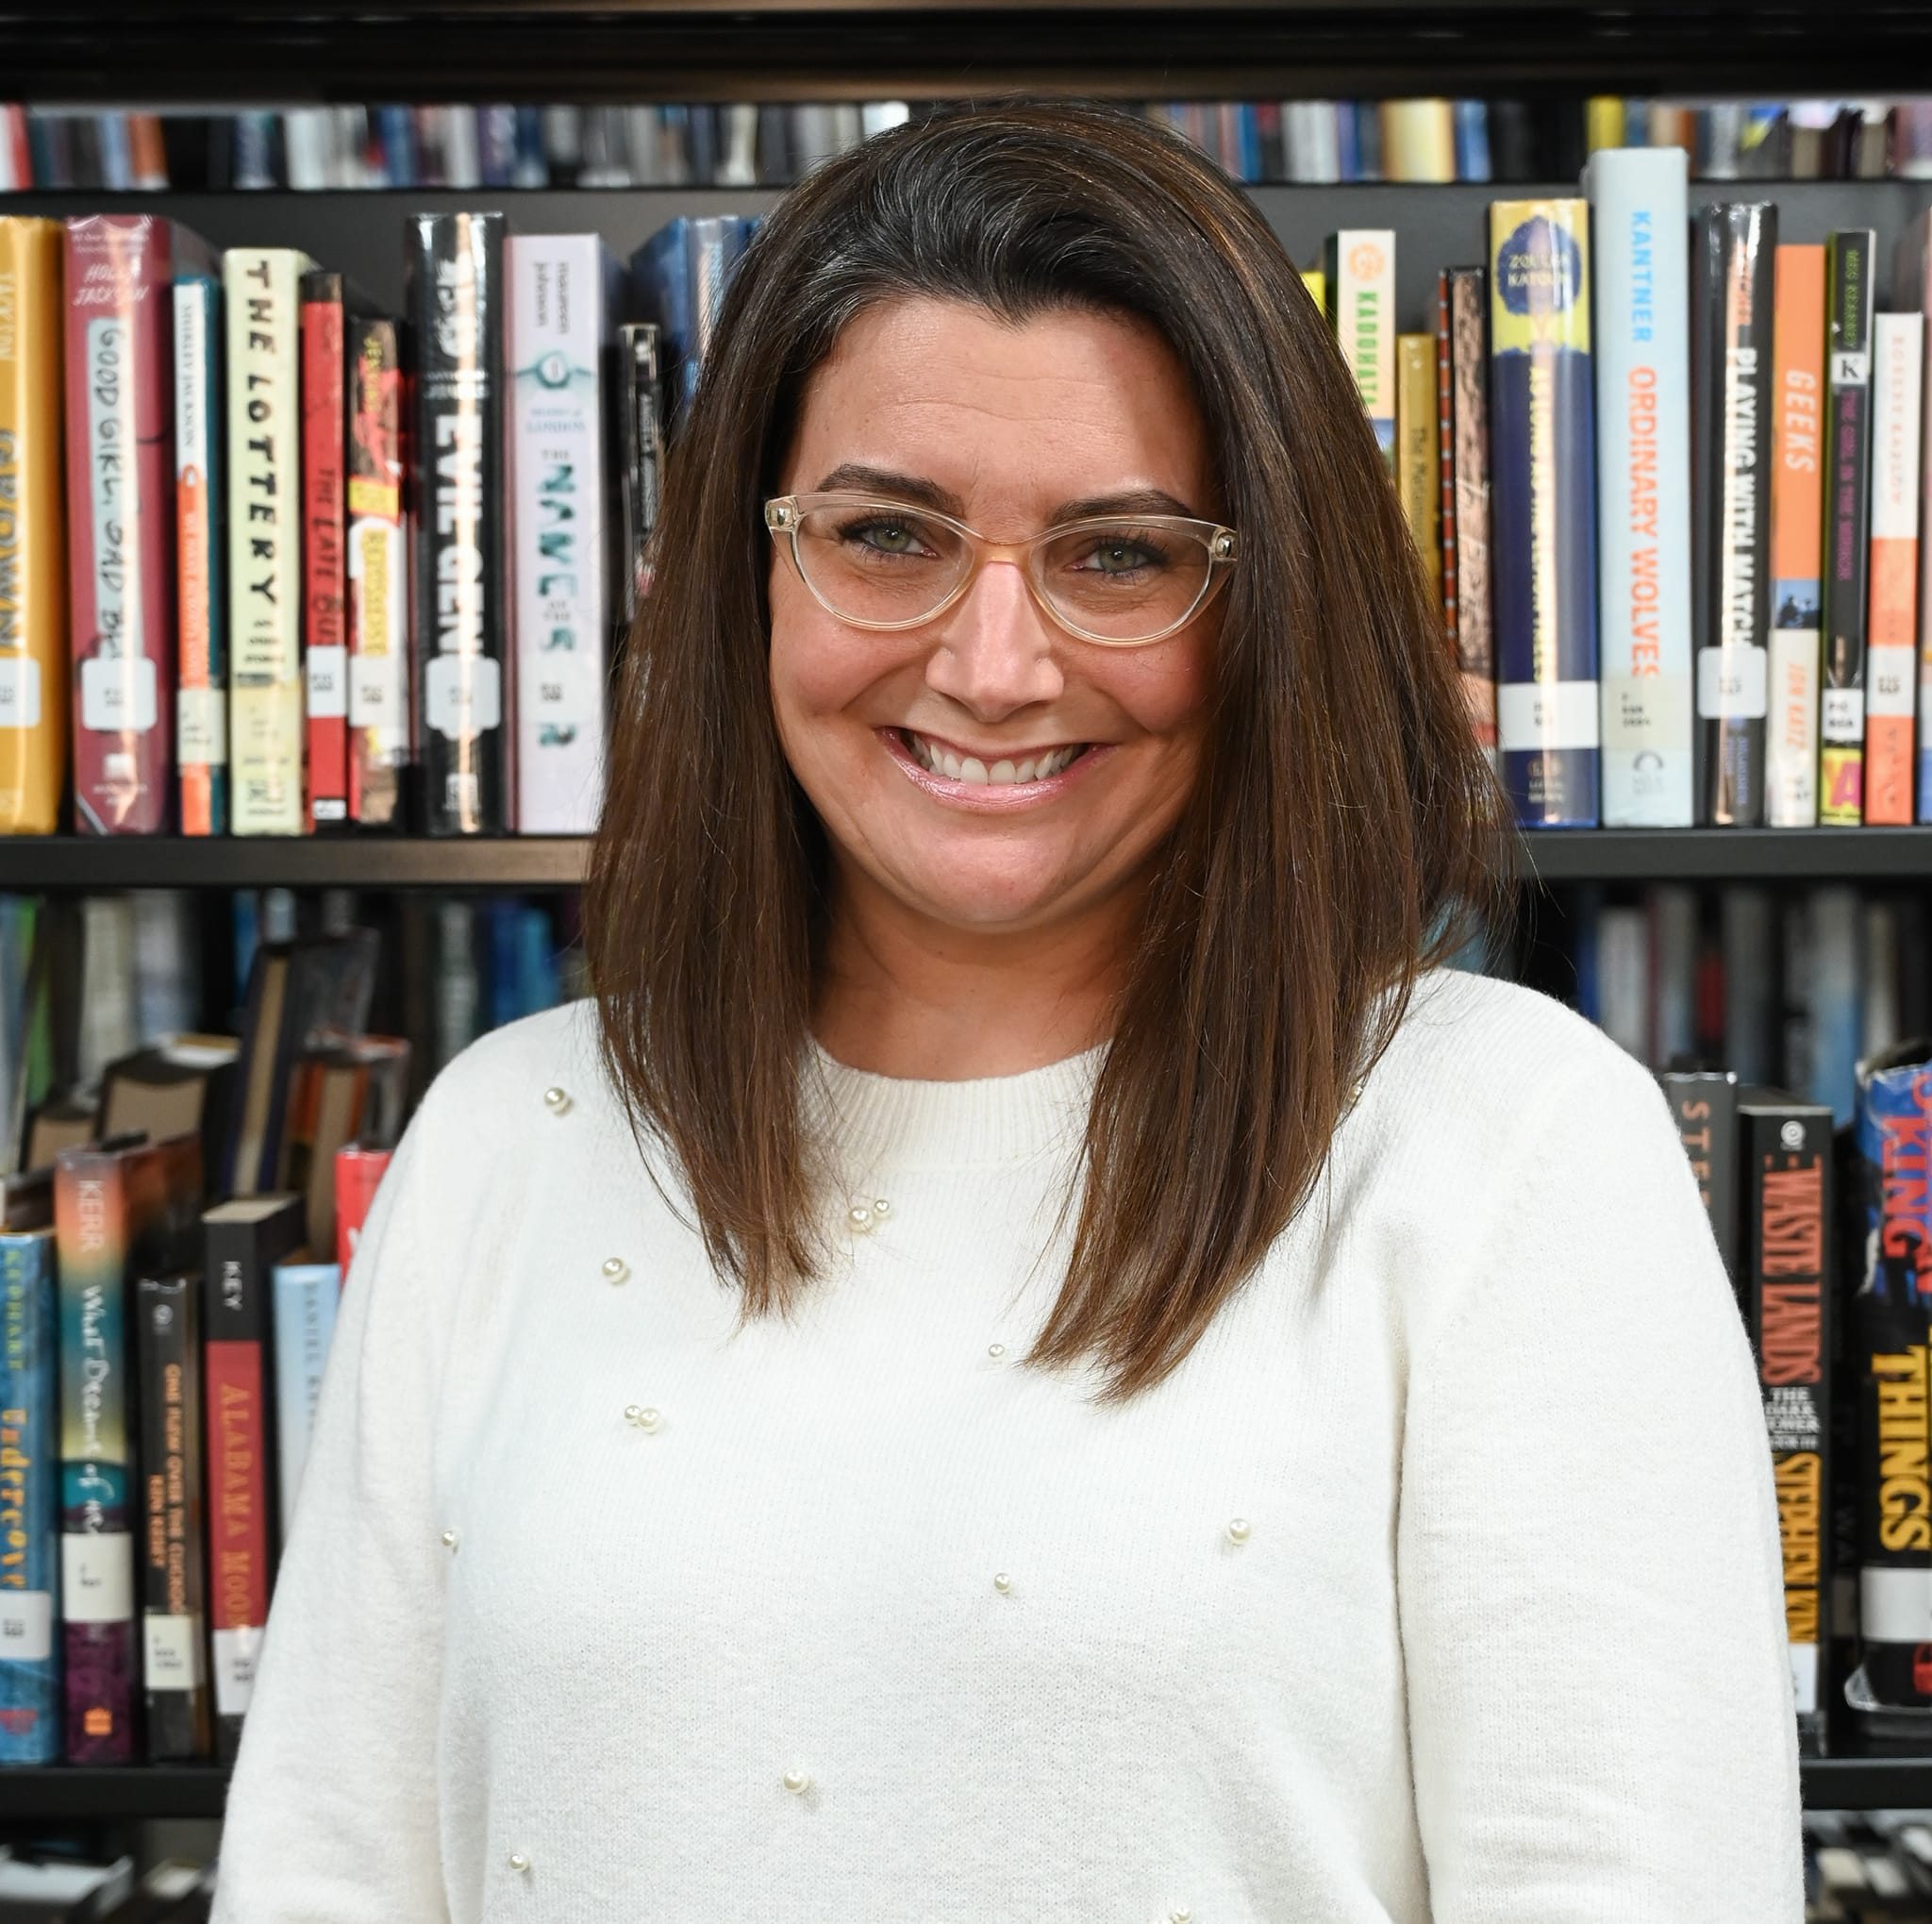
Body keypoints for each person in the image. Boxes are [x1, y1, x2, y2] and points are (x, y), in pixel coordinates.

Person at [213, 102, 1801, 1921]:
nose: (991, 665)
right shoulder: (507, 1135)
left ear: (1264, 603)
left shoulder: (1508, 1145)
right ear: (749, 576)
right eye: (888, 535)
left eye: (1118, 557)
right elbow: (324, 1881)